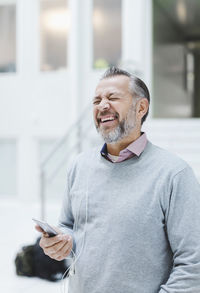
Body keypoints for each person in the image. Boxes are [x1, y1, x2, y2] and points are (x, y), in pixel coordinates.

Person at [37, 67, 200, 293]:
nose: (102, 105)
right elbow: (70, 227)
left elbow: (193, 264)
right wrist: (60, 243)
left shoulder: (174, 174)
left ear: (141, 107)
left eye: (113, 97)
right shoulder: (79, 165)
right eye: (96, 100)